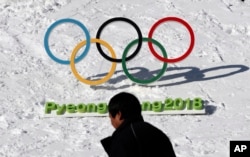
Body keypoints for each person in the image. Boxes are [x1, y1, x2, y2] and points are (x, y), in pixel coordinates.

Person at [101, 92, 176, 157]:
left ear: (119, 115)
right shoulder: (158, 133)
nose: (111, 122)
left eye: (111, 117)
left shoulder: (123, 139)